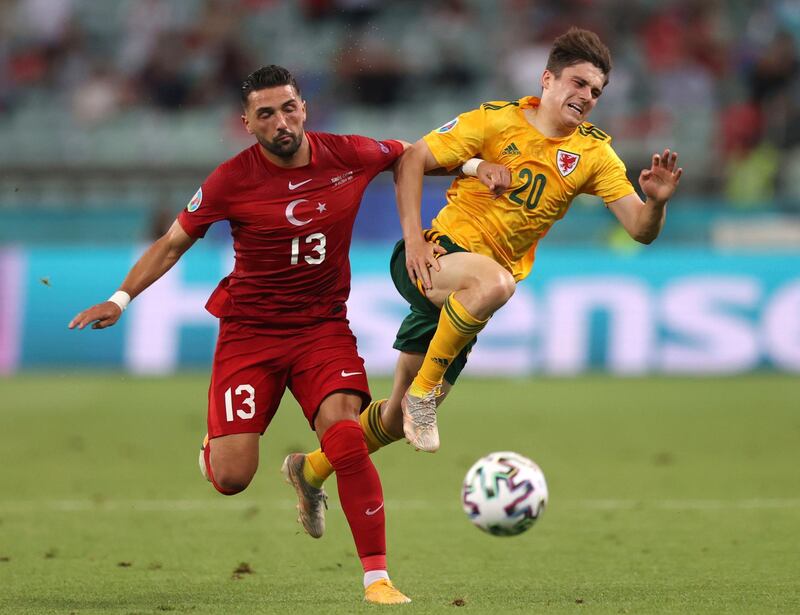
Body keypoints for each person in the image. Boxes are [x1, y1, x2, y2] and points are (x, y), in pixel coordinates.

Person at [288, 27, 683, 536]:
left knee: (391, 420)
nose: (586, 97)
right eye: (578, 84)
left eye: (596, 92)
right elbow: (413, 159)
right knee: (497, 286)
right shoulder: (494, 121)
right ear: (548, 79)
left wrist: (656, 204)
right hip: (434, 259)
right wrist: (412, 239)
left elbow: (639, 231)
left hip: (463, 303)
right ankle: (425, 397)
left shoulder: (594, 156)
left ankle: (309, 469)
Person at [68, 65, 418, 606]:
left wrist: (473, 163)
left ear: (304, 107)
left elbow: (411, 154)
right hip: (250, 335)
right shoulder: (231, 179)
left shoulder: (348, 152)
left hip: (322, 328)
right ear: (247, 125)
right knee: (232, 478)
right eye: (266, 114)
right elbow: (170, 243)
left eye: (289, 108)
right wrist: (120, 299)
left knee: (346, 436)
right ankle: (221, 447)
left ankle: (378, 579)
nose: (282, 121)